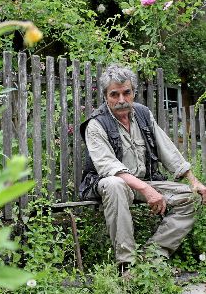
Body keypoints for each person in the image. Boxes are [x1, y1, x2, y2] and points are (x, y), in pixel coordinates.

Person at [79, 63, 206, 271]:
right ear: (105, 96)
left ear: (133, 92)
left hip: (144, 182)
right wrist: (147, 190)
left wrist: (193, 180)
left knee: (191, 197)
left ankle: (151, 258)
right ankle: (126, 265)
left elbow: (168, 150)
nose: (121, 100)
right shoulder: (96, 124)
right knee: (114, 184)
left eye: (126, 93)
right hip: (109, 185)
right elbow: (110, 167)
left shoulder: (143, 114)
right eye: (114, 95)